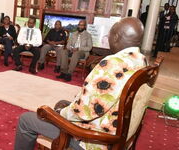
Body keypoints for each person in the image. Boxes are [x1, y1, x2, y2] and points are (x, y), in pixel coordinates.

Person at [14, 17, 146, 150]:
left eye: (109, 35)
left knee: (26, 120)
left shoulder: (113, 64)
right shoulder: (142, 60)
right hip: (114, 127)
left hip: (92, 138)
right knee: (62, 103)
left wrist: (59, 113)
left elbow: (84, 112)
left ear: (116, 37)